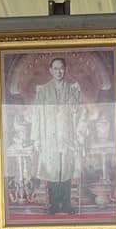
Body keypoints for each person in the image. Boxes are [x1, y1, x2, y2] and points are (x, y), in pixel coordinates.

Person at [31, 57, 84, 214]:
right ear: (50, 70)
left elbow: (77, 110)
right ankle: (53, 205)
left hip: (67, 135)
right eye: (55, 68)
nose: (58, 71)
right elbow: (37, 114)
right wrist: (36, 138)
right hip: (49, 136)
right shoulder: (44, 90)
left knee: (66, 170)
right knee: (53, 171)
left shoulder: (71, 89)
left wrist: (78, 93)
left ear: (65, 69)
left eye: (61, 68)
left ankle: (66, 204)